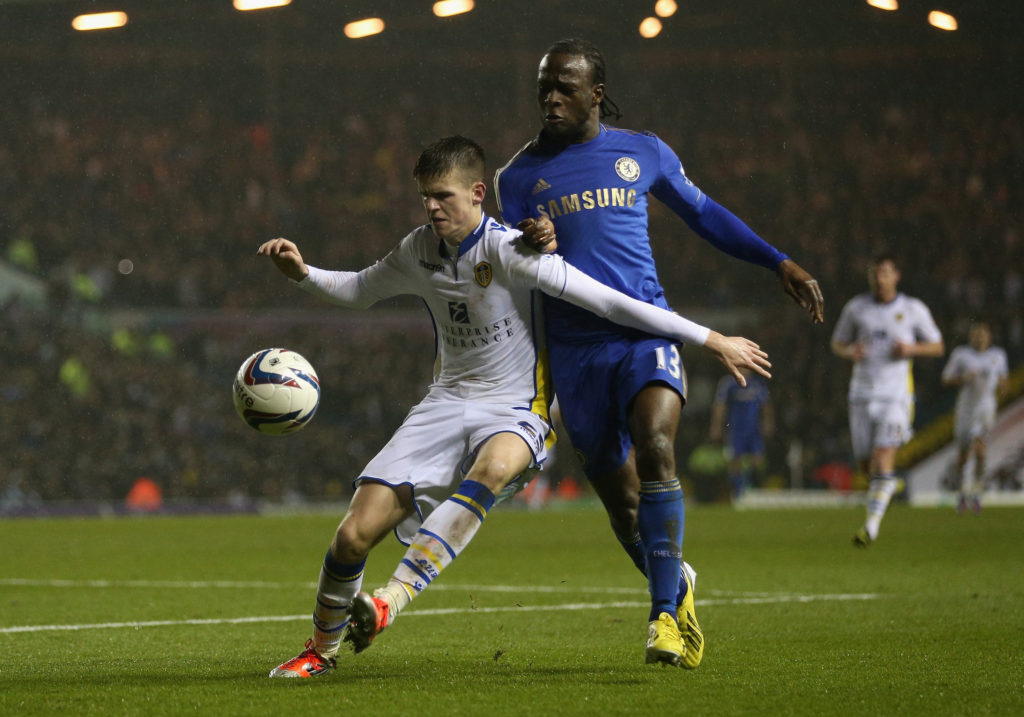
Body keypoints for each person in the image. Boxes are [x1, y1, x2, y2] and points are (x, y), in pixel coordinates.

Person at [262, 135, 772, 677]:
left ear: (479, 193)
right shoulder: (418, 250)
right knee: (351, 535)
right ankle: (321, 651)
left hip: (515, 411)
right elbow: (360, 289)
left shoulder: (513, 251)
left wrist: (709, 338)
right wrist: (303, 274)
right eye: (425, 199)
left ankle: (393, 598)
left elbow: (612, 301)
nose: (432, 208)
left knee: (495, 467)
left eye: (443, 196)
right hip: (444, 403)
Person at [493, 37, 824, 668]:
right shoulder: (517, 177)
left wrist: (774, 259)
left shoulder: (641, 151)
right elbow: (504, 267)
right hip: (575, 352)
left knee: (658, 446)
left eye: (565, 86)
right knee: (622, 507)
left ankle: (664, 617)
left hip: (646, 333)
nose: (551, 98)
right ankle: (677, 585)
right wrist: (527, 243)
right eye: (543, 86)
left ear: (598, 93)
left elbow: (704, 214)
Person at [830, 254, 944, 547]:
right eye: (874, 274)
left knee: (882, 459)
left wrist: (911, 349)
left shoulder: (912, 309)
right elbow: (837, 342)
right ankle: (889, 486)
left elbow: (937, 346)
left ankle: (870, 527)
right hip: (861, 395)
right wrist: (849, 352)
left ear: (896, 276)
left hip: (896, 396)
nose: (879, 279)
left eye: (884, 273)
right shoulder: (857, 308)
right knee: (868, 468)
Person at [941, 321, 1008, 513]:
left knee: (979, 451)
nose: (979, 338)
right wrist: (962, 378)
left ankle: (977, 493)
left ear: (989, 337)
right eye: (975, 335)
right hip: (965, 409)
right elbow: (945, 378)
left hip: (985, 408)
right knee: (963, 454)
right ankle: (962, 493)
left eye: (982, 335)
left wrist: (1003, 387)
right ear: (970, 337)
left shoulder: (998, 356)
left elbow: (1004, 380)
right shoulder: (961, 355)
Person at [709, 368, 775, 502]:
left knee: (758, 460)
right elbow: (720, 405)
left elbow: (766, 405)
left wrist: (768, 422)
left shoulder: (757, 384)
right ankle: (738, 492)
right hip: (735, 429)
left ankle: (752, 489)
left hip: (753, 429)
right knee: (735, 460)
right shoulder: (729, 383)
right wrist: (716, 426)